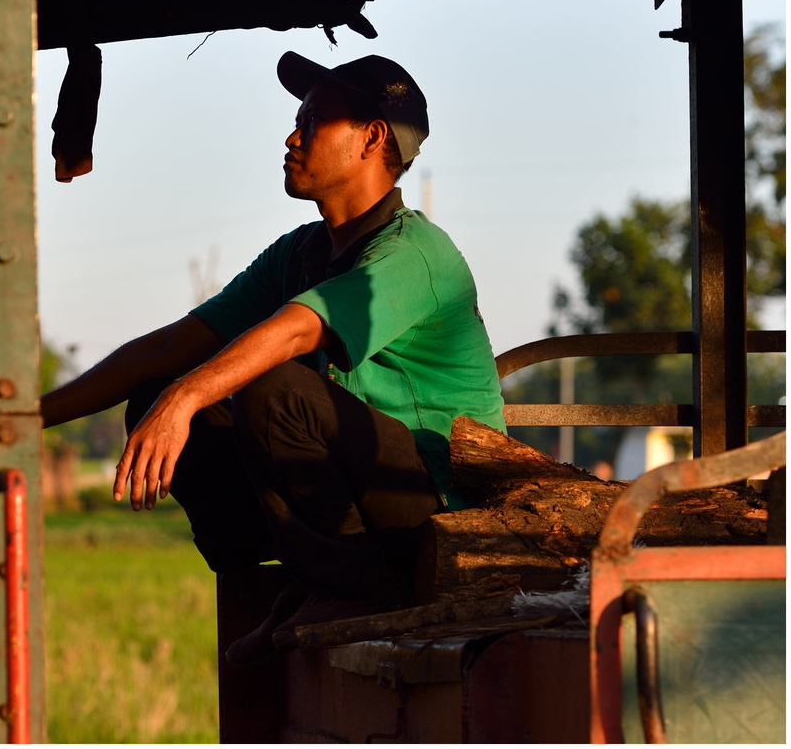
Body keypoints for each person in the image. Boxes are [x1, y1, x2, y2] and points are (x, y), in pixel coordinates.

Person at [40, 52, 506, 664]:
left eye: (312, 122)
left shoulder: (414, 251)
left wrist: (185, 398)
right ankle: (283, 580)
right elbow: (173, 345)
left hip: (436, 511)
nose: (292, 137)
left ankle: (356, 590)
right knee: (161, 389)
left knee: (270, 388)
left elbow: (293, 334)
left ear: (371, 137)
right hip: (358, 503)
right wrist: (24, 420)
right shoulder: (300, 253)